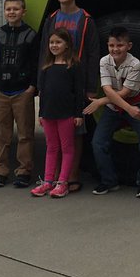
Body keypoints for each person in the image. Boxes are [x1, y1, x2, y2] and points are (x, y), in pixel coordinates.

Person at [38, 0, 99, 192]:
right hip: (55, 81)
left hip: (77, 82)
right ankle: (52, 177)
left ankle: (72, 176)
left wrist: (91, 87)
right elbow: (44, 53)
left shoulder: (86, 20)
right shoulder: (51, 19)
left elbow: (92, 54)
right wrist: (41, 83)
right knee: (54, 136)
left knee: (76, 129)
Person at [86, 26, 140, 198]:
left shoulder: (135, 64)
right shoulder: (104, 61)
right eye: (111, 45)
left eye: (119, 45)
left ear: (129, 46)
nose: (115, 49)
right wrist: (114, 103)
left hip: (135, 104)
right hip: (115, 108)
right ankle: (109, 181)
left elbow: (125, 93)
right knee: (98, 143)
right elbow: (107, 89)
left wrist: (101, 102)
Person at [0, 0, 38, 188]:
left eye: (16, 9)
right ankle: (0, 172)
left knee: (25, 134)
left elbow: (35, 64)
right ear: (5, 11)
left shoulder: (31, 35)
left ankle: (24, 171)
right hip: (0, 92)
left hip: (22, 92)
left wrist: (32, 87)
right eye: (8, 9)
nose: (12, 12)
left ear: (23, 12)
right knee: (2, 134)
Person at [31, 29, 85, 199]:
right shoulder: (46, 67)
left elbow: (78, 92)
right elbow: (43, 92)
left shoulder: (74, 66)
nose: (54, 45)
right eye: (52, 42)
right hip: (48, 114)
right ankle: (48, 181)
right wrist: (41, 113)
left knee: (67, 149)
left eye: (58, 42)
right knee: (52, 147)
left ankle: (63, 183)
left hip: (67, 114)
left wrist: (78, 114)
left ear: (67, 44)